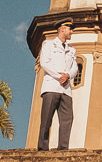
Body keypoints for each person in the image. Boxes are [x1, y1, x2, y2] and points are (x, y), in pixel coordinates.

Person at [38, 21, 79, 150]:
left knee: (67, 119)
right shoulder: (48, 44)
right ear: (62, 29)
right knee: (46, 120)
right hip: (51, 86)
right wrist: (59, 76)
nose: (72, 31)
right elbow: (44, 63)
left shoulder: (71, 49)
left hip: (66, 89)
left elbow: (75, 68)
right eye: (70, 29)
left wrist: (68, 76)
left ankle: (63, 148)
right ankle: (43, 148)